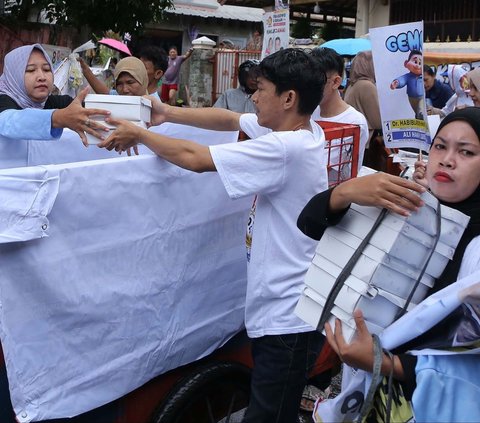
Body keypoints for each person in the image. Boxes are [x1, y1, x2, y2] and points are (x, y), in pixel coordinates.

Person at [99, 48, 328, 423]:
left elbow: (196, 158)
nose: (253, 97)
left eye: (262, 90)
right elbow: (230, 118)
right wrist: (167, 112)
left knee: (269, 416)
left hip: (288, 320)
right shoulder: (300, 129)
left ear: (288, 98)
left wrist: (140, 133)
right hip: (287, 309)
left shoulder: (285, 148)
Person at [298, 107, 480, 422]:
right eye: (440, 146)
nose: (447, 159)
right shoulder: (411, 202)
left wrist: (383, 363)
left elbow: (468, 354)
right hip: (369, 392)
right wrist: (345, 192)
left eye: (466, 152)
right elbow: (309, 224)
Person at [0, 44, 109, 145]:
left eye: (47, 69)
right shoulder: (4, 99)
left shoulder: (59, 103)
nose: (42, 77)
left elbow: (100, 114)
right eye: (31, 70)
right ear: (13, 76)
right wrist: (58, 118)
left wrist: (124, 128)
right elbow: (7, 121)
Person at [310, 47, 369, 184]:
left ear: (336, 82)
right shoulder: (310, 111)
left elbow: (323, 168)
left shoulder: (355, 121)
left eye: (316, 82)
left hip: (334, 195)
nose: (308, 88)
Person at [343, 50, 382, 157]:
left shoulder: (352, 84)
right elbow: (378, 122)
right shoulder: (367, 85)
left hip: (354, 140)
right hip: (364, 142)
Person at [79, 56, 149, 96]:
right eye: (119, 84)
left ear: (143, 80)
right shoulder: (119, 97)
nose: (124, 90)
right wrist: (85, 70)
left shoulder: (155, 110)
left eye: (130, 82)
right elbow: (104, 93)